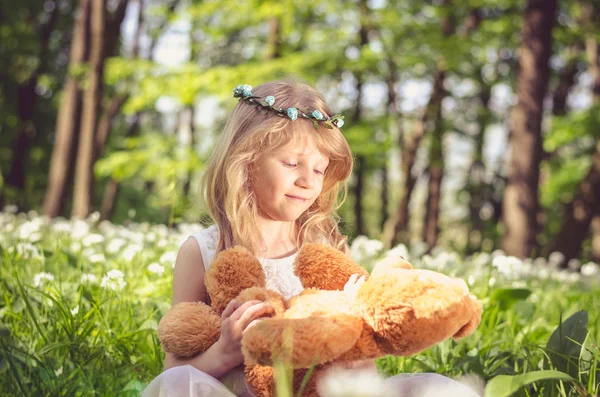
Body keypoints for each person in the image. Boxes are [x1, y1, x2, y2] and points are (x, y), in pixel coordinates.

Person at [142, 78, 482, 397]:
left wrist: (355, 343)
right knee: (178, 383)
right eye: (292, 163)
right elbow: (171, 368)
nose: (308, 180)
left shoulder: (326, 245)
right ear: (246, 161)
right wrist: (223, 352)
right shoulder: (203, 251)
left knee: (436, 388)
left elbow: (359, 351)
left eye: (319, 169)